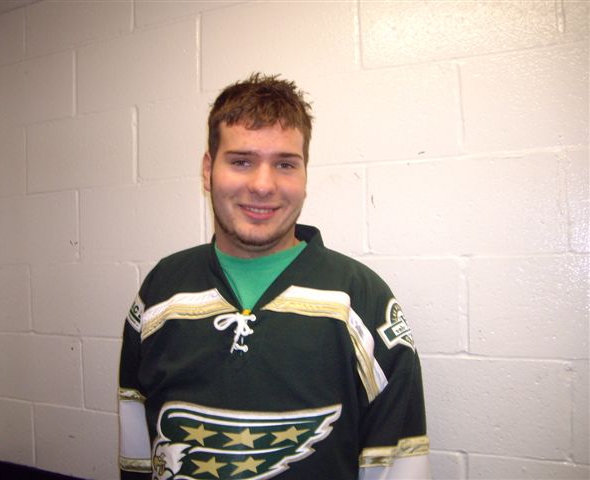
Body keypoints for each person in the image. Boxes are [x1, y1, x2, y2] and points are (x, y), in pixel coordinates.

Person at [118, 73, 430, 480]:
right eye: (241, 161)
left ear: (304, 175)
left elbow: (399, 465)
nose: (263, 185)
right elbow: (137, 455)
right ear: (208, 170)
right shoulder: (160, 291)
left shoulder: (360, 299)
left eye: (285, 164)